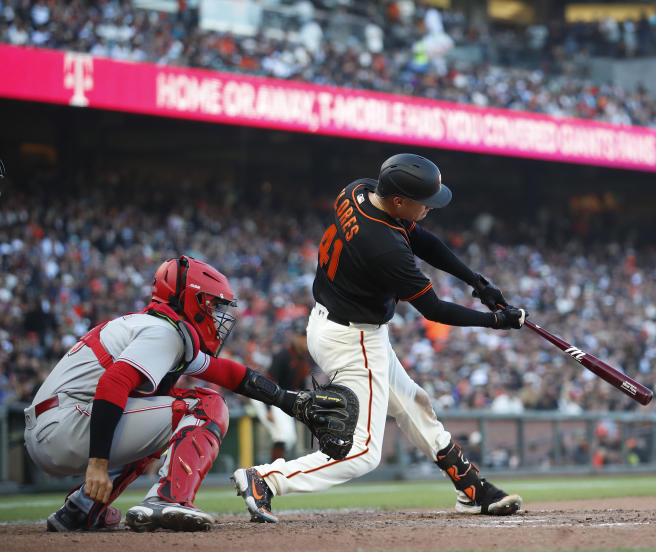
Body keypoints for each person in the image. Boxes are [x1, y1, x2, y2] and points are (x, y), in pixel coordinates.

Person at [233, 152, 528, 522]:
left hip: (337, 324)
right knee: (363, 452)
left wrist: (476, 281)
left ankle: (471, 488)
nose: (430, 209)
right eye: (424, 203)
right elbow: (435, 310)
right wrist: (497, 321)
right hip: (352, 338)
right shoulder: (384, 247)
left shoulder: (359, 190)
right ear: (399, 201)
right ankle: (266, 479)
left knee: (411, 403)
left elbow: (422, 239)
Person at [24, 256, 315, 532]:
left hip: (56, 424)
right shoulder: (164, 332)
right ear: (192, 299)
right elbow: (112, 384)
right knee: (205, 405)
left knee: (164, 412)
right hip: (66, 425)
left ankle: (81, 508)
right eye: (213, 306)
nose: (217, 316)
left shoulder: (157, 328)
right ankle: (168, 499)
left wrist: (289, 400)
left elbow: (228, 373)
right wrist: (97, 463)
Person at [250, 331, 313, 460]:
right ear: (296, 338)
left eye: (307, 337)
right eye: (303, 337)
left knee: (286, 438)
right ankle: (274, 472)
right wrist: (268, 408)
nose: (305, 341)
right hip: (264, 397)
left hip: (280, 399)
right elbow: (269, 382)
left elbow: (301, 387)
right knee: (283, 437)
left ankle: (273, 471)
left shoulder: (305, 359)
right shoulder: (284, 355)